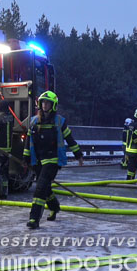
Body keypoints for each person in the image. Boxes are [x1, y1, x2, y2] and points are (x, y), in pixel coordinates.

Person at [23, 91, 84, 229]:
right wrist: (26, 157)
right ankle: (55, 207)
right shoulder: (33, 121)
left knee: (39, 189)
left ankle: (34, 219)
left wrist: (78, 154)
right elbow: (28, 141)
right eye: (43, 102)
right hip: (38, 160)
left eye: (47, 103)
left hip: (52, 160)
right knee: (45, 187)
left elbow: (69, 139)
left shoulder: (59, 122)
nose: (44, 105)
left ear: (53, 105)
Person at [125, 109, 137, 179]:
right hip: (135, 150)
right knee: (133, 167)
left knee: (131, 167)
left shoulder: (130, 125)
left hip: (128, 149)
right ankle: (130, 180)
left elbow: (127, 138)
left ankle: (129, 179)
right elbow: (136, 138)